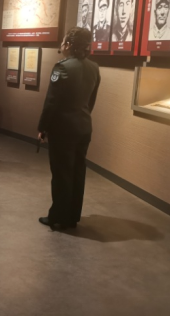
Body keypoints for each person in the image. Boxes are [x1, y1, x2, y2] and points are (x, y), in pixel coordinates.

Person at [38, 27, 101, 230]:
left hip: (63, 129)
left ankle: (57, 216)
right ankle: (73, 215)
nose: (62, 46)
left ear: (70, 45)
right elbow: (91, 101)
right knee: (78, 171)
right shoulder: (94, 67)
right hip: (84, 126)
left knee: (61, 173)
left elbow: (51, 102)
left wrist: (42, 127)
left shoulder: (62, 67)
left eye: (64, 42)